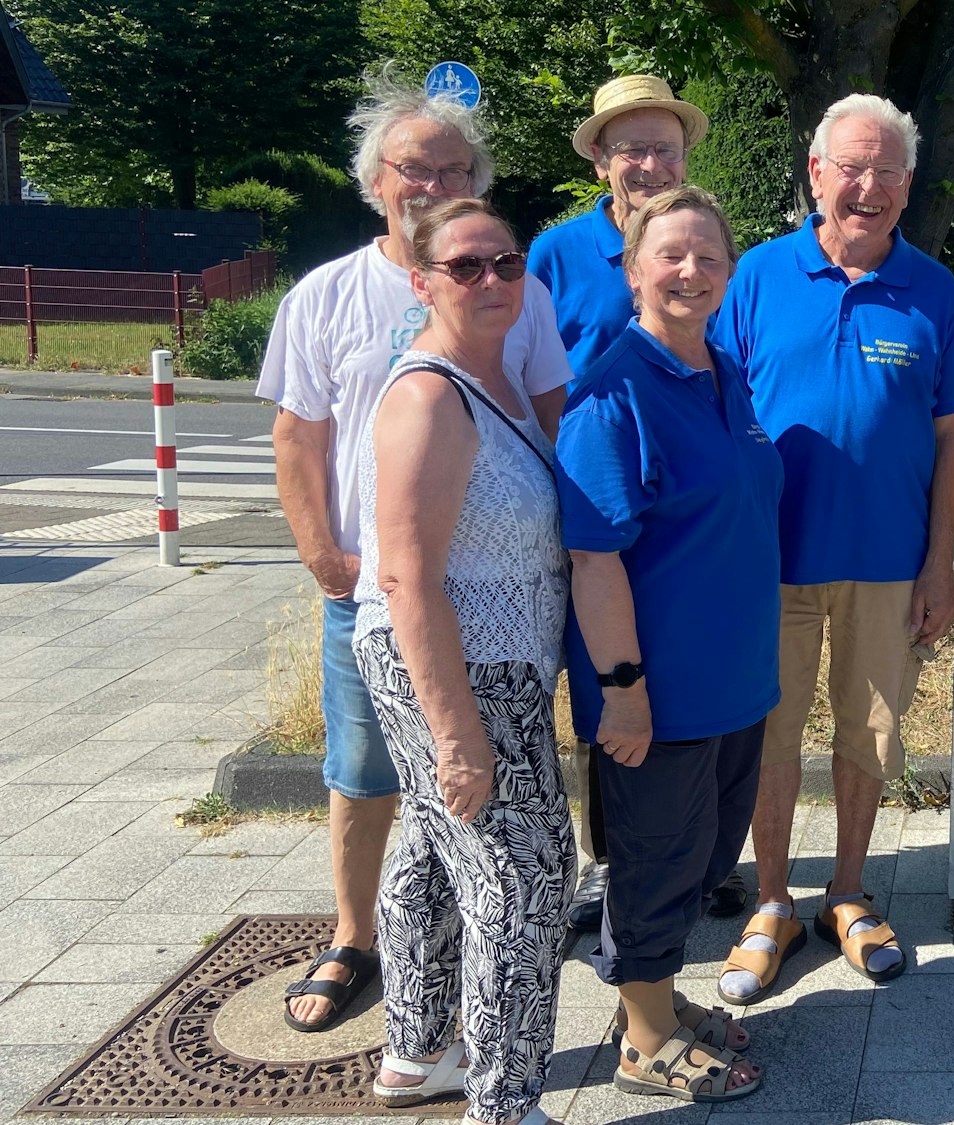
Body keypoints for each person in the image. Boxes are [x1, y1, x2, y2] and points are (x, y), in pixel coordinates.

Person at [258, 65, 571, 1037]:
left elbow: (556, 425)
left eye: (451, 168)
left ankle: (479, 938)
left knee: (490, 779)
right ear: (375, 182)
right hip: (375, 595)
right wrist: (323, 558)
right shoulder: (325, 296)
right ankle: (355, 937)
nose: (431, 185)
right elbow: (297, 438)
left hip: (501, 592)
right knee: (365, 769)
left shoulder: (515, 294)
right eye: (411, 169)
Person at [711, 94, 954, 1000]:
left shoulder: (935, 289)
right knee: (771, 735)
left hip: (888, 562)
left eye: (887, 170)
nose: (868, 186)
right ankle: (773, 901)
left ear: (906, 184)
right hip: (768, 563)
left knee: (870, 732)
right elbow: (714, 412)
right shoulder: (753, 278)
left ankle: (848, 893)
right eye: (850, 167)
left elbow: (950, 439)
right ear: (815, 174)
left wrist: (941, 562)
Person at [349, 198, 574, 1124]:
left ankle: (418, 1048)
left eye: (507, 264)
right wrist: (457, 734)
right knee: (526, 878)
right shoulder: (429, 396)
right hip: (456, 672)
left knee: (436, 854)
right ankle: (503, 1101)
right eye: (466, 267)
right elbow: (405, 578)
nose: (491, 281)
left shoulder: (498, 379)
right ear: (423, 282)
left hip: (494, 664)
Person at [555, 186, 777, 1101]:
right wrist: (622, 688)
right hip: (661, 691)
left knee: (705, 852)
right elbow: (596, 557)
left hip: (732, 680)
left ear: (729, 271)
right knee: (656, 858)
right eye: (671, 254)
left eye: (709, 256)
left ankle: (657, 998)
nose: (691, 271)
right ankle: (645, 1039)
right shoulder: (614, 391)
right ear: (635, 268)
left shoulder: (721, 369)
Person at [528, 74, 709, 375]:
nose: (651, 165)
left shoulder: (708, 247)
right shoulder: (556, 254)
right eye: (633, 150)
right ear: (600, 161)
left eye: (667, 149)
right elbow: (523, 364)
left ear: (684, 159)